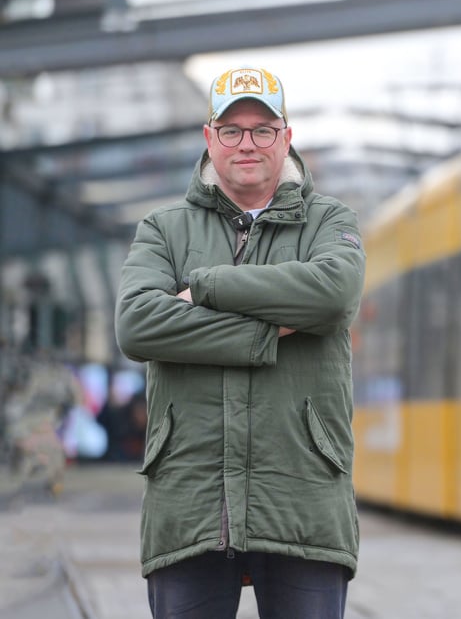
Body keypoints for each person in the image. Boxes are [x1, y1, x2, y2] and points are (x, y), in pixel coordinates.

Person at [115, 66, 365, 619]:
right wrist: (267, 329)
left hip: (302, 494)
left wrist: (203, 285)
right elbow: (137, 325)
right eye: (232, 130)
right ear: (209, 138)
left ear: (286, 137)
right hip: (190, 498)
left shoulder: (329, 221)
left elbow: (333, 296)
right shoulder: (162, 228)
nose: (246, 143)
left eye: (262, 129)